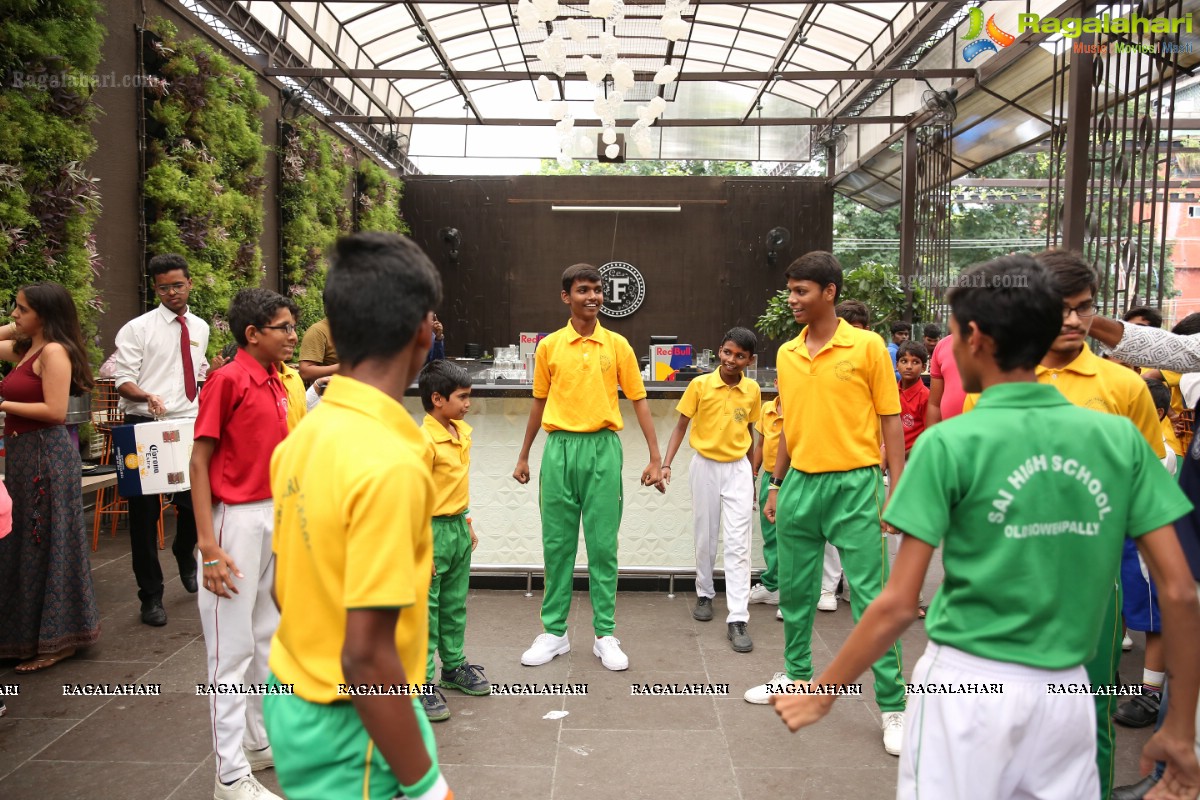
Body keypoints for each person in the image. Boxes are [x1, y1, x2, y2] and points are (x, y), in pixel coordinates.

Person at [768, 254, 1200, 800]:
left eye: (949, 336)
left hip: (963, 686)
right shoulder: (1117, 441)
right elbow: (1181, 591)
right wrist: (1180, 731)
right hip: (1066, 691)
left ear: (975, 338)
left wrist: (824, 692)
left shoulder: (949, 444)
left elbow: (898, 604)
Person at [961, 250, 1167, 798]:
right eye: (1061, 309)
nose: (1074, 321)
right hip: (1005, 583)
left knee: (1089, 712)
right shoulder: (991, 389)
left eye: (1085, 309)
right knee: (1002, 712)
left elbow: (1150, 486)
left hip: (1092, 584)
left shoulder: (1122, 388)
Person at [264, 232, 453, 800]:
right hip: (356, 725)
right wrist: (426, 786)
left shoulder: (303, 437)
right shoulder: (391, 462)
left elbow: (282, 588)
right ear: (424, 330)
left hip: (297, 696)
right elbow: (367, 657)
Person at [750, 251, 908, 757]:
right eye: (790, 291)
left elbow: (889, 420)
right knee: (795, 596)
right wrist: (776, 484)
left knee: (870, 599)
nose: (792, 300)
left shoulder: (866, 348)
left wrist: (896, 489)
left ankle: (893, 705)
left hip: (856, 485)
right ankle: (796, 678)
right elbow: (791, 427)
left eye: (801, 292)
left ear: (830, 292)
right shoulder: (788, 354)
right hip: (799, 484)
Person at [512, 263, 662, 672]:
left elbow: (639, 400)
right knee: (556, 545)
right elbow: (539, 402)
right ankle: (554, 633)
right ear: (567, 297)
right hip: (558, 449)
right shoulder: (549, 347)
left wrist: (655, 456)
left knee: (601, 546)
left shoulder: (617, 345)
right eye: (584, 290)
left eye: (597, 290)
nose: (593, 296)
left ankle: (605, 634)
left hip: (602, 450)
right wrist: (525, 454)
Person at [190, 288, 297, 800]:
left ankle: (256, 744)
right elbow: (198, 464)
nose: (293, 335)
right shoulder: (227, 381)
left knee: (265, 640)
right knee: (228, 655)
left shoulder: (276, 380)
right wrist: (209, 547)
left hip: (271, 517)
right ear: (253, 334)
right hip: (234, 523)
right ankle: (229, 776)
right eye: (284, 327)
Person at [0, 283, 100, 672]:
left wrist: (2, 403)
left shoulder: (54, 352)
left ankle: (60, 641)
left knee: (50, 542)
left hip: (47, 456)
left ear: (45, 314)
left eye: (22, 309)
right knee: (23, 542)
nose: (14, 314)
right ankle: (27, 636)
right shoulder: (28, 350)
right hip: (26, 456)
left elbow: (56, 411)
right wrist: (19, 328)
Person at [113, 253, 208, 625]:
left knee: (194, 507)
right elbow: (123, 379)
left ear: (189, 284)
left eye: (178, 285)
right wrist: (146, 395)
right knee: (144, 517)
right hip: (143, 426)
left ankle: (185, 553)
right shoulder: (137, 328)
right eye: (164, 287)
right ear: (155, 288)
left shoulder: (199, 327)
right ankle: (150, 597)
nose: (172, 292)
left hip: (187, 426)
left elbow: (191, 372)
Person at [658, 327, 761, 652]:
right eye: (728, 352)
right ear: (720, 350)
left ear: (750, 360)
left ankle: (737, 618)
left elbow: (750, 434)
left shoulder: (753, 390)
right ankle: (704, 593)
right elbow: (680, 427)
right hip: (704, 466)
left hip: (738, 471)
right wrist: (666, 464)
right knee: (705, 533)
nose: (732, 360)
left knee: (738, 543)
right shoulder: (700, 384)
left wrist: (752, 478)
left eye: (740, 356)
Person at [417, 358, 488, 722]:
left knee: (454, 603)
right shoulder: (423, 440)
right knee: (425, 611)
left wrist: (467, 522)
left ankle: (453, 666)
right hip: (428, 531)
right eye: (462, 397)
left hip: (457, 528)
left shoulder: (461, 433)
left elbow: (453, 490)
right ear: (437, 399)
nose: (468, 403)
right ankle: (420, 682)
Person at [1112, 378, 1176, 735]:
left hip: (1143, 543)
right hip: (1113, 538)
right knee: (1115, 606)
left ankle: (1151, 692)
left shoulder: (1161, 450)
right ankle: (1111, 675)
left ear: (1159, 414)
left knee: (1153, 618)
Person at [749, 392, 782, 618]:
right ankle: (773, 586)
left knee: (791, 535)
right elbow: (760, 445)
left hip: (794, 476)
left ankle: (791, 594)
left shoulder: (804, 404)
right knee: (771, 534)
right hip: (769, 476)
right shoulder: (768, 408)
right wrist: (753, 473)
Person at [896, 340, 929, 457]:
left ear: (924, 367)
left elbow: (928, 435)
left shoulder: (926, 396)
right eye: (904, 361)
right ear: (897, 365)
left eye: (915, 362)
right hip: (890, 457)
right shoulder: (891, 392)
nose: (909, 367)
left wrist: (902, 455)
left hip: (914, 458)